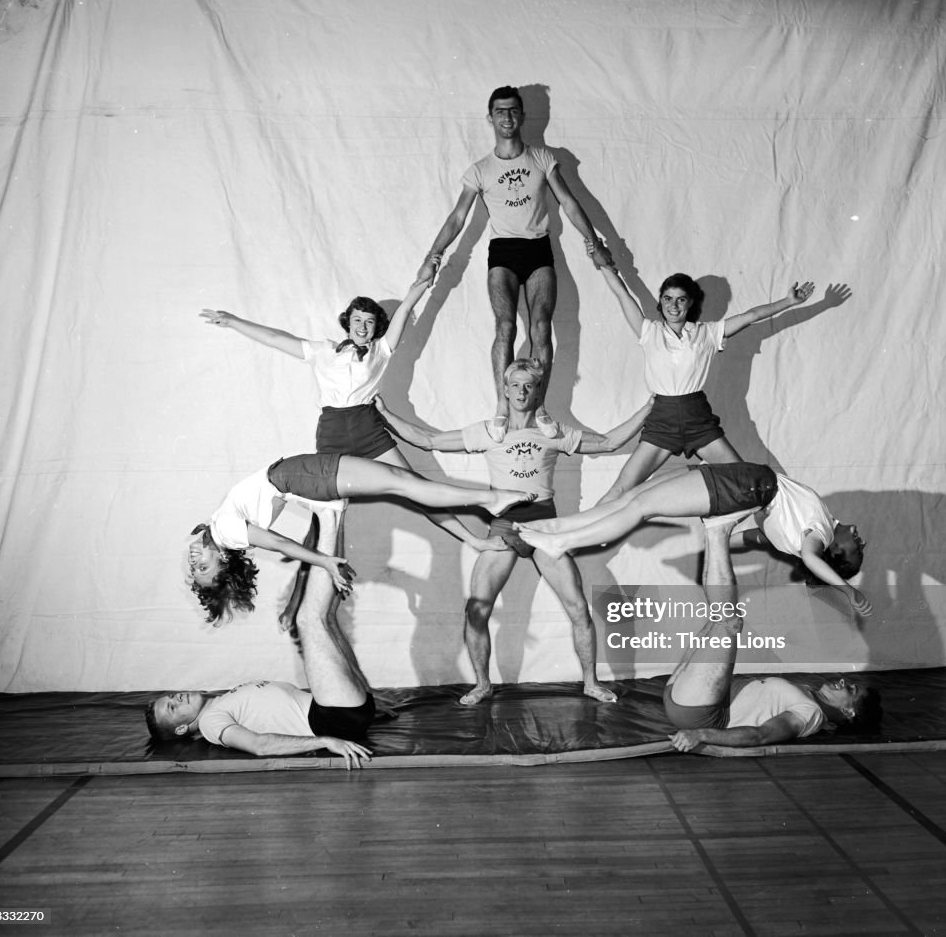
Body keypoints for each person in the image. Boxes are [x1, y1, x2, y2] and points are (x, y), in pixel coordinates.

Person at [377, 358, 653, 704]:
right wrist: (385, 415)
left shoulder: (553, 433)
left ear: (538, 392)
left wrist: (651, 407)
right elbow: (428, 440)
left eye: (529, 386)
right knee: (476, 610)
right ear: (504, 391)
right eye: (516, 385)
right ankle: (482, 684)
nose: (522, 392)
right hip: (505, 526)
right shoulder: (490, 432)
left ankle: (591, 682)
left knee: (578, 608)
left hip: (544, 527)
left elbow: (609, 443)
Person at [200, 280, 507, 555]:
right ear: (347, 323)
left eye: (369, 322)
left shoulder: (382, 350)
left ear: (377, 327)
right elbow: (275, 337)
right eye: (357, 320)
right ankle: (317, 564)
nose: (362, 327)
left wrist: (423, 281)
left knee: (416, 487)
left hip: (369, 430)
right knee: (329, 511)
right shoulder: (322, 351)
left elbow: (408, 306)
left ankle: (474, 541)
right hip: (332, 436)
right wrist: (231, 321)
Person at [415, 85, 613, 441]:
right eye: (500, 111)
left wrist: (593, 242)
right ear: (490, 118)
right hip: (503, 253)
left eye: (513, 110)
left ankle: (539, 408)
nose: (507, 117)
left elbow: (568, 202)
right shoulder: (480, 170)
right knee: (505, 327)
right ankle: (502, 409)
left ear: (522, 116)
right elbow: (457, 217)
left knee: (540, 327)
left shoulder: (542, 158)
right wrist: (433, 258)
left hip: (538, 249)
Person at [188, 450, 533, 623]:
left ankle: (487, 511)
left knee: (405, 483)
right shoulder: (226, 534)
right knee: (405, 484)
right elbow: (279, 543)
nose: (195, 562)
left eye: (194, 567)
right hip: (300, 477)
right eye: (203, 570)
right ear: (221, 566)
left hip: (298, 479)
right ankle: (493, 500)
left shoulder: (216, 532)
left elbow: (202, 535)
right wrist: (324, 560)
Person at [590, 260, 828, 503]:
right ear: (660, 302)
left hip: (698, 419)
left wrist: (788, 302)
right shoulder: (648, 330)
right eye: (667, 298)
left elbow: (751, 316)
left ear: (690, 303)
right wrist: (601, 260)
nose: (673, 305)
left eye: (681, 299)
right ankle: (576, 539)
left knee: (748, 484)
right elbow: (622, 293)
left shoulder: (707, 332)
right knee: (620, 491)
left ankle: (788, 533)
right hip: (662, 421)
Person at [514, 460, 872, 616]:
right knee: (631, 500)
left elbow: (810, 559)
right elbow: (751, 540)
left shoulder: (819, 536)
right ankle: (554, 529)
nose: (859, 536)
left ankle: (560, 542)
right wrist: (718, 536)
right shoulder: (793, 538)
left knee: (637, 508)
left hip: (746, 485)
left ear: (837, 551)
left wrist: (848, 589)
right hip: (742, 487)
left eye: (857, 546)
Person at [667, 519, 881, 752]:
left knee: (728, 621)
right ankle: (715, 533)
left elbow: (761, 736)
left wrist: (700, 734)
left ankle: (717, 530)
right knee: (720, 616)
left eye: (850, 689)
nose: (843, 681)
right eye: (849, 683)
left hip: (699, 713)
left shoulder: (810, 714)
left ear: (849, 711)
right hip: (689, 695)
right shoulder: (809, 693)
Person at [148, 553, 376, 770]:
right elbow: (259, 746)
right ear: (181, 729)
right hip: (332, 719)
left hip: (339, 707)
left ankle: (335, 517)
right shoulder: (210, 723)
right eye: (172, 707)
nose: (176, 698)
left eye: (171, 697)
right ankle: (330, 516)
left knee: (325, 618)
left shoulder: (221, 701)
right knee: (309, 621)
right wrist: (327, 742)